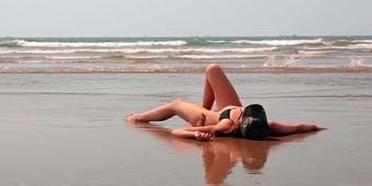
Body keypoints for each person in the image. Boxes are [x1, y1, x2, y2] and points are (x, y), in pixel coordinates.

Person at [125, 64, 325, 141]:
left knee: (176, 104)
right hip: (225, 108)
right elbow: (300, 127)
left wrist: (197, 134)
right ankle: (205, 106)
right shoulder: (268, 125)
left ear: (240, 124)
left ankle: (137, 118)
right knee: (213, 69)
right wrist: (318, 127)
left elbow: (175, 132)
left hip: (205, 120)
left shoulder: (226, 125)